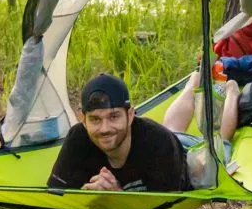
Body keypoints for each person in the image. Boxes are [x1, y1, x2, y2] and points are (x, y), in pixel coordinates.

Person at [47, 73, 190, 192]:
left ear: (130, 115)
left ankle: (195, 80)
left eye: (114, 116)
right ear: (83, 120)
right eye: (95, 119)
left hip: (184, 152)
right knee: (173, 127)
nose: (105, 128)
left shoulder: (159, 143)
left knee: (178, 136)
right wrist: (83, 198)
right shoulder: (77, 140)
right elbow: (57, 201)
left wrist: (117, 197)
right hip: (167, 138)